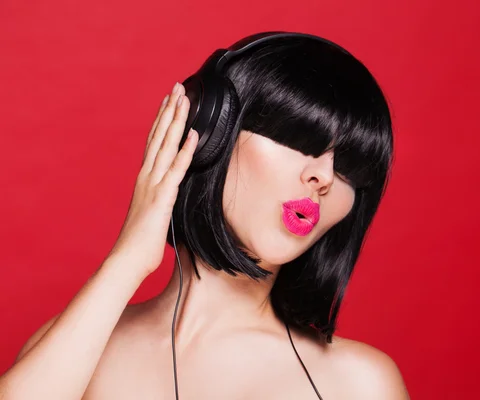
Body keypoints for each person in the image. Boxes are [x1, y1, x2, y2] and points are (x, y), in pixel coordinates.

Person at [0, 33, 410, 399]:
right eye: (297, 140)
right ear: (214, 135)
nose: (322, 177)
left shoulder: (359, 383)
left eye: (348, 171)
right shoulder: (76, 351)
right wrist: (126, 261)